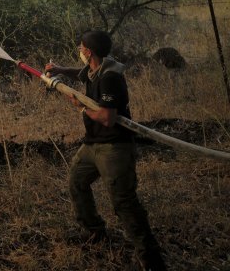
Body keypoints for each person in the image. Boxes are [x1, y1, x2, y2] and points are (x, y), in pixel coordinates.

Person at [45, 30, 166, 271]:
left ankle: (151, 259)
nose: (79, 51)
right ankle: (95, 232)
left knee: (124, 202)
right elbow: (80, 75)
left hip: (114, 147)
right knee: (77, 182)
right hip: (92, 144)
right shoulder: (94, 69)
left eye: (81, 48)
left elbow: (107, 118)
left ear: (89, 52)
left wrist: (80, 105)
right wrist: (58, 70)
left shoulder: (111, 77)